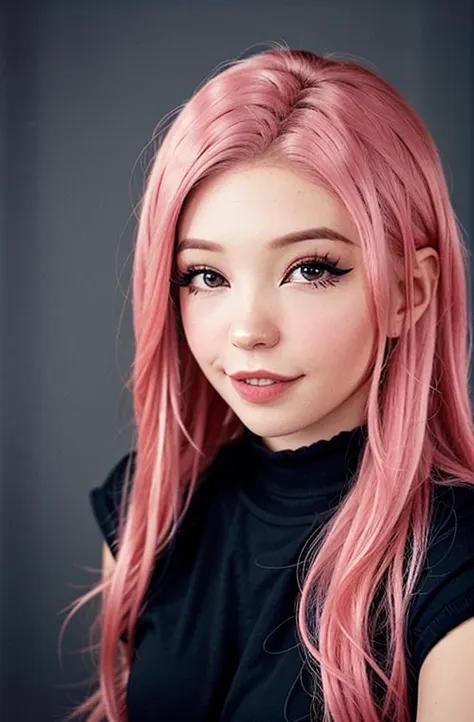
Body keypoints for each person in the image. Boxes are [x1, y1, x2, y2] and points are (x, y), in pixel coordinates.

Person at [60, 45, 474, 722]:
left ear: (410, 290)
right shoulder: (146, 516)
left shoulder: (453, 564)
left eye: (311, 268)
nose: (248, 329)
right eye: (206, 275)